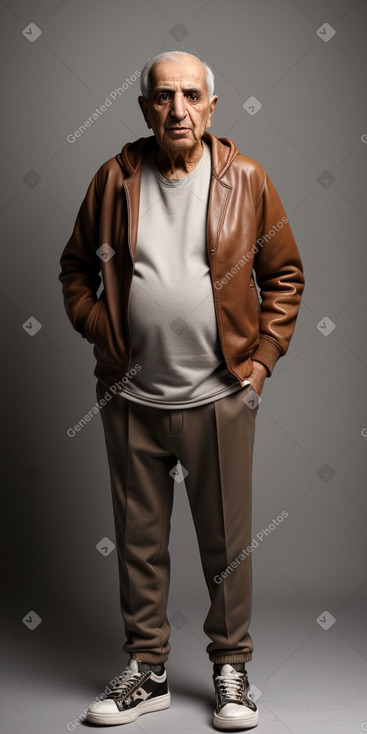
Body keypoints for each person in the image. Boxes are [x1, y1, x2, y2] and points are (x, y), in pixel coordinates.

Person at [59, 50, 305, 731]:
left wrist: (258, 367)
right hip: (129, 397)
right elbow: (75, 269)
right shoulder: (113, 180)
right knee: (137, 540)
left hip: (220, 397)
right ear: (144, 108)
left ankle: (231, 669)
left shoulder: (247, 180)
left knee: (225, 545)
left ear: (212, 106)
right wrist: (100, 331)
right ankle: (147, 669)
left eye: (191, 95)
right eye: (163, 96)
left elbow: (283, 277)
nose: (177, 109)